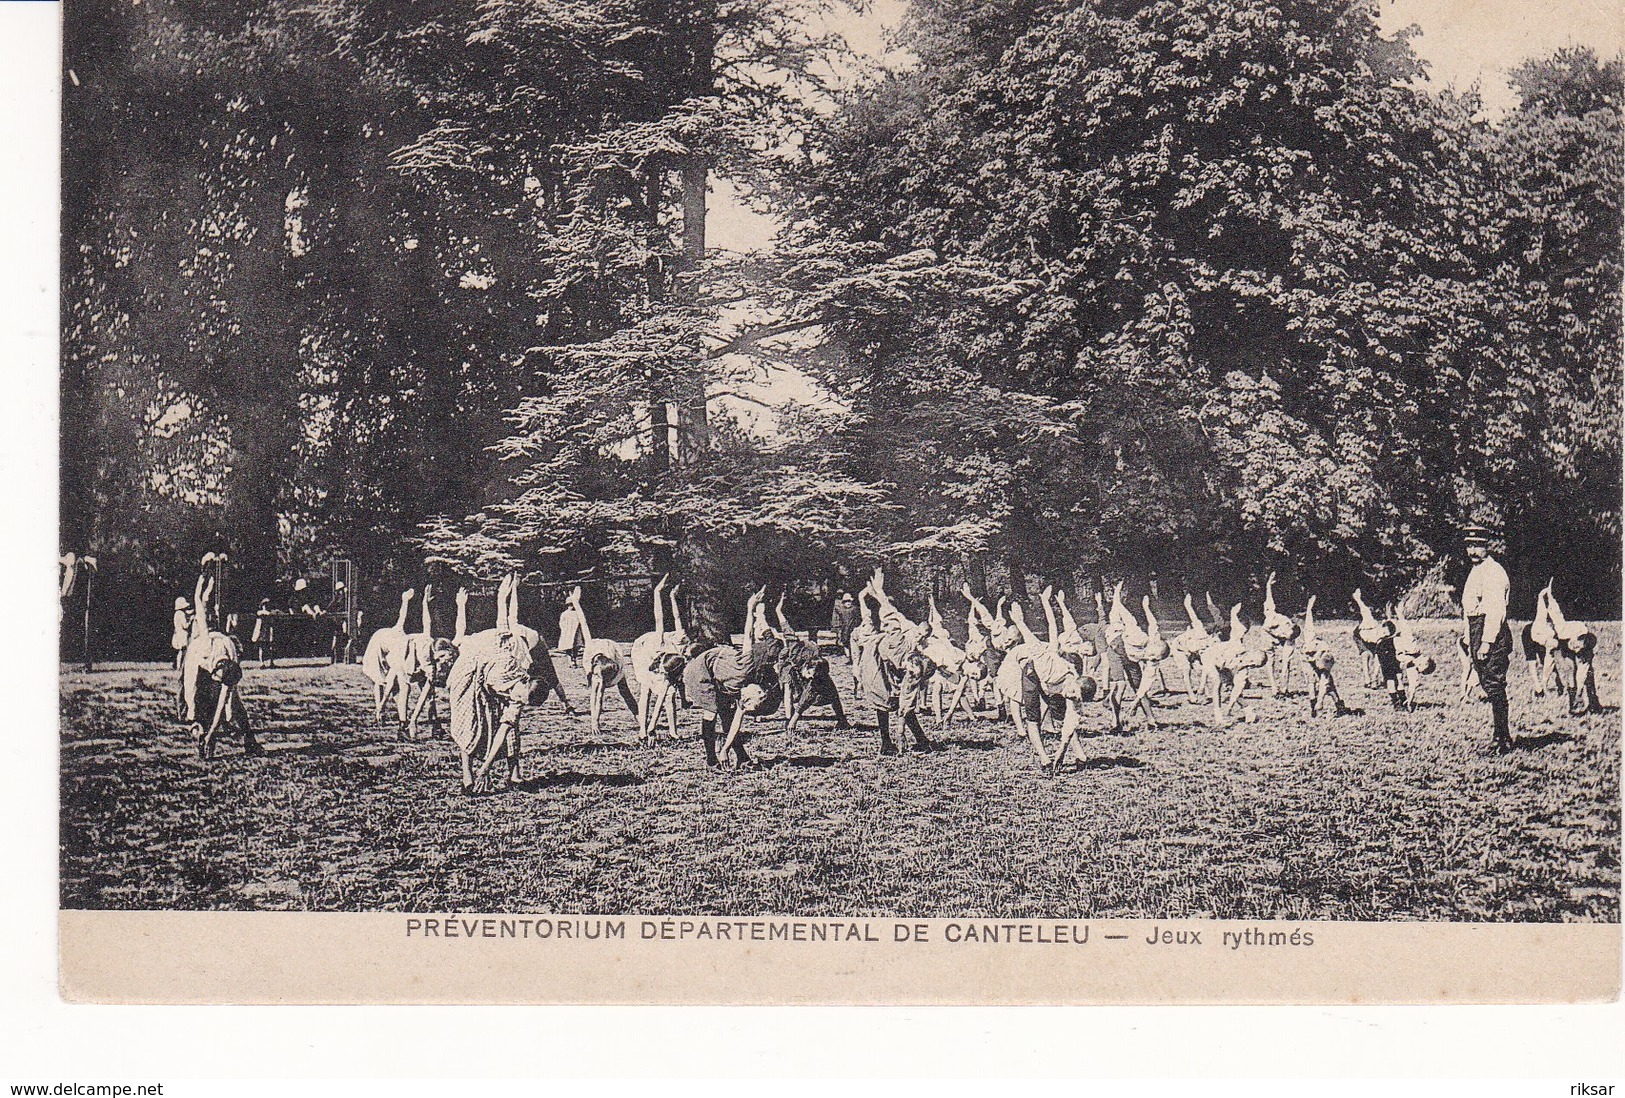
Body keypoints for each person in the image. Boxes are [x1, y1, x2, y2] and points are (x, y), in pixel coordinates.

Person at [1461, 525, 1514, 753]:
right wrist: (1468, 637)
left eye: (1478, 546)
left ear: (1487, 546)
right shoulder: (1477, 570)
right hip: (1477, 630)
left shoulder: (1494, 571)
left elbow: (1495, 610)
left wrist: (1486, 641)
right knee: (1486, 682)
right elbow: (1470, 608)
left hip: (1491, 632)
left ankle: (1501, 739)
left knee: (1494, 684)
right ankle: (1501, 737)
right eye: (1469, 546)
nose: (1473, 551)